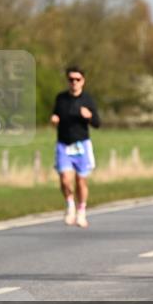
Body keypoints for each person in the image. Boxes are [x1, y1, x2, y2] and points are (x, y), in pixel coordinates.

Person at [51, 66, 101, 228]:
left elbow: (97, 123)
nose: (74, 82)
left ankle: (81, 210)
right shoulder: (61, 98)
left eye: (77, 79)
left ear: (83, 81)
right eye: (71, 79)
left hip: (82, 144)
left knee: (81, 180)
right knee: (65, 179)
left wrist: (89, 116)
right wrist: (54, 119)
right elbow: (55, 115)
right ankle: (70, 204)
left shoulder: (87, 99)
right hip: (64, 143)